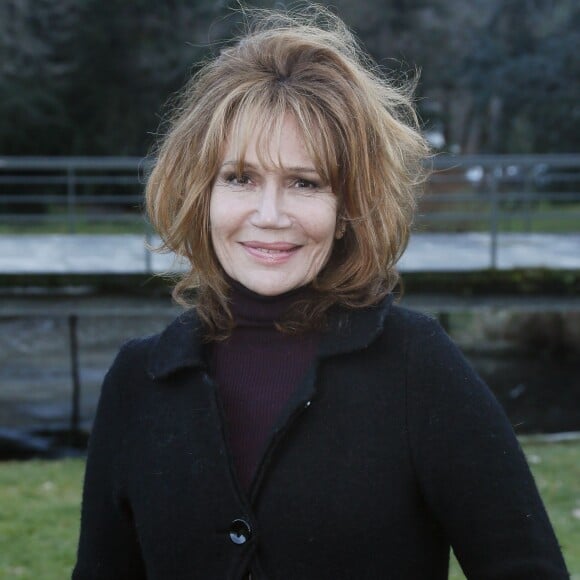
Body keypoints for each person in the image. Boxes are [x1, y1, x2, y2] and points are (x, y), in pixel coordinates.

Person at [73, 6, 569, 579]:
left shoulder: (418, 367)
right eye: (240, 178)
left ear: (346, 211)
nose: (269, 215)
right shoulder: (138, 382)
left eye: (304, 183)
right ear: (201, 194)